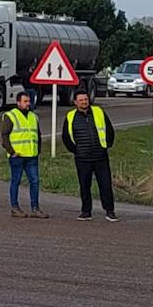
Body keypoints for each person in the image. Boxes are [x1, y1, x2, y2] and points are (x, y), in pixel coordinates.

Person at [62, 90, 117, 222]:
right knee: (84, 185)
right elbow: (66, 136)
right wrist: (76, 150)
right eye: (81, 100)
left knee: (105, 185)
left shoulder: (98, 112)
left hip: (100, 157)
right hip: (82, 158)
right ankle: (86, 212)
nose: (84, 102)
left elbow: (109, 130)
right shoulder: (70, 116)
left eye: (85, 99)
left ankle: (110, 211)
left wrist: (106, 146)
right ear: (75, 102)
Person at [2, 91, 47, 218]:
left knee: (35, 181)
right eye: (25, 101)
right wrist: (11, 152)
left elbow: (38, 134)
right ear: (18, 102)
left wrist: (38, 150)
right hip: (18, 155)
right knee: (15, 181)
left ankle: (35, 208)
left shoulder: (34, 116)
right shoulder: (10, 116)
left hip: (31, 155)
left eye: (29, 101)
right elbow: (5, 135)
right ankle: (15, 208)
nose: (28, 104)